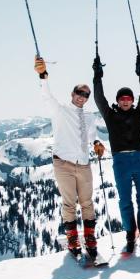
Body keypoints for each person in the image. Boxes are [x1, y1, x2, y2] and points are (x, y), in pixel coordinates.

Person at [34, 57, 105, 258]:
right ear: (72, 94)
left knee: (87, 202)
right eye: (79, 93)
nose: (82, 97)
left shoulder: (89, 117)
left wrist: (97, 143)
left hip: (83, 164)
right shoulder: (61, 111)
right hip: (63, 163)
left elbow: (92, 136)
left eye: (86, 95)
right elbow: (47, 97)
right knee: (69, 203)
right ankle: (73, 238)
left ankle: (90, 237)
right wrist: (43, 76)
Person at [93, 53, 140, 255]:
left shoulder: (138, 113)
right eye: (122, 99)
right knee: (125, 200)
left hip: (139, 158)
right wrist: (97, 76)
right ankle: (130, 233)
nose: (126, 101)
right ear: (117, 101)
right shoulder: (110, 115)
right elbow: (99, 98)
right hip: (120, 161)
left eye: (128, 98)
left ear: (132, 101)